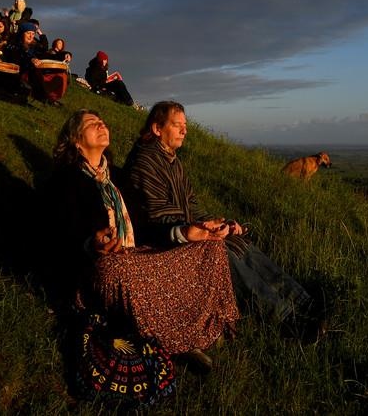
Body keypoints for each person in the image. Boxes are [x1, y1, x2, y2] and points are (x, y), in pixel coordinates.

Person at [45, 109, 238, 365]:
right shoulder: (65, 179)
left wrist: (185, 232)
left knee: (209, 245)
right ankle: (174, 340)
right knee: (114, 268)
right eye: (92, 124)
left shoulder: (118, 178)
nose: (101, 124)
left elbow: (145, 227)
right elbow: (60, 231)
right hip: (99, 266)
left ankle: (195, 326)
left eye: (102, 121)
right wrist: (90, 244)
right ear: (76, 141)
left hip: (136, 255)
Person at [123, 101, 322, 341]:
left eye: (185, 126)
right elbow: (156, 217)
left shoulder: (172, 161)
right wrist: (197, 230)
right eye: (177, 126)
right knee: (220, 253)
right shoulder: (144, 162)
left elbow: (192, 207)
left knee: (238, 242)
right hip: (162, 242)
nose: (185, 130)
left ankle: (304, 303)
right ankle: (286, 321)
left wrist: (220, 224)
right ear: (157, 129)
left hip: (182, 230)